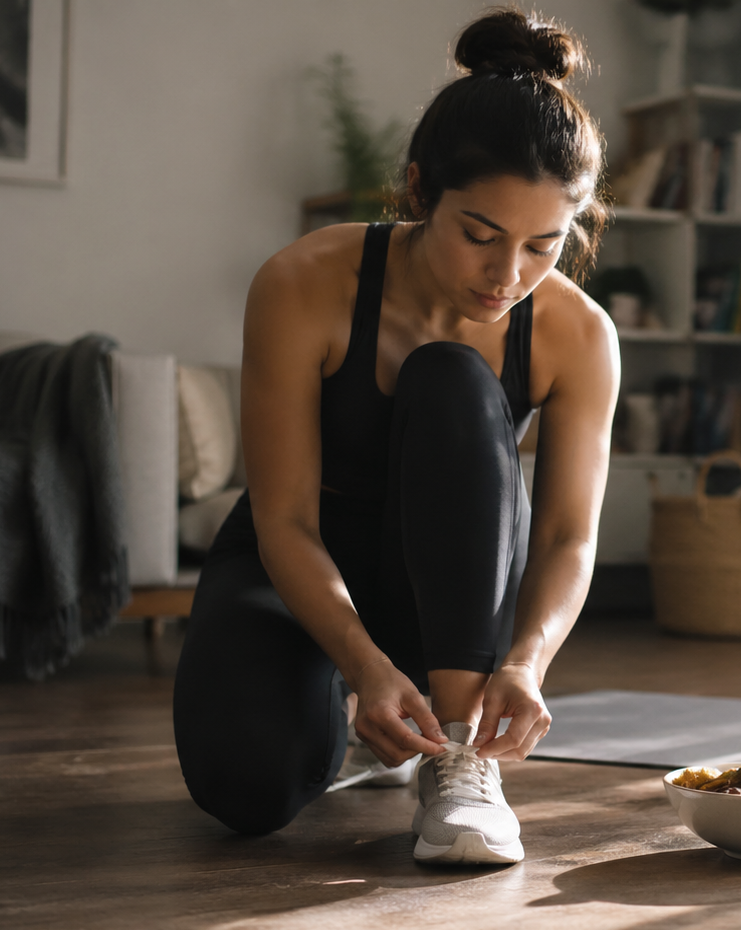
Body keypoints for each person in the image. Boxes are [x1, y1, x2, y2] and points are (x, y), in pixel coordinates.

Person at [172, 7, 617, 865]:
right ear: (419, 192)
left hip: (452, 575)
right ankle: (351, 702)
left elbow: (567, 536)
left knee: (452, 374)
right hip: (304, 560)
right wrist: (362, 660)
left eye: (542, 246)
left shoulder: (579, 333)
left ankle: (453, 757)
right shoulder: (306, 282)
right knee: (246, 794)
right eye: (480, 235)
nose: (507, 276)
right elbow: (286, 522)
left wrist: (524, 661)